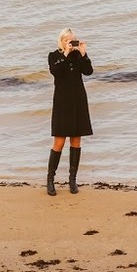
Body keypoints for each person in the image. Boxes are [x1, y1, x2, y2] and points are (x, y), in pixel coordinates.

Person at [46, 28, 93, 196]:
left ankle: (72, 180)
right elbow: (56, 72)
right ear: (61, 41)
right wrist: (65, 53)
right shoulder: (54, 56)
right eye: (68, 40)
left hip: (78, 101)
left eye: (73, 40)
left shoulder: (78, 56)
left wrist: (83, 53)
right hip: (62, 103)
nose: (71, 43)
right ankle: (50, 180)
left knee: (76, 141)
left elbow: (88, 71)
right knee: (59, 142)